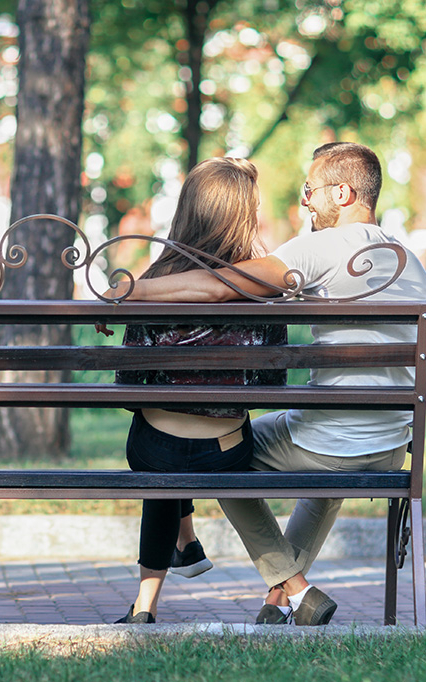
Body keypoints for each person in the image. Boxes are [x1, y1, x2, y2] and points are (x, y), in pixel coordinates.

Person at [111, 142, 426, 626]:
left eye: (310, 190)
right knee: (323, 455)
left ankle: (288, 583)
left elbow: (221, 285)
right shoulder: (412, 263)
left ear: (342, 193)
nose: (304, 202)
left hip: (332, 442)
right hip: (391, 446)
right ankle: (280, 599)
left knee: (219, 453)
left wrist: (128, 290)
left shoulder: (321, 248)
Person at [110, 157, 286, 624]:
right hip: (225, 450)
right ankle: (184, 544)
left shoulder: (152, 282)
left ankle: (146, 606)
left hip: (156, 446)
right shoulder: (261, 285)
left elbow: (130, 389)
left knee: (161, 465)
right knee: (177, 463)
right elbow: (272, 385)